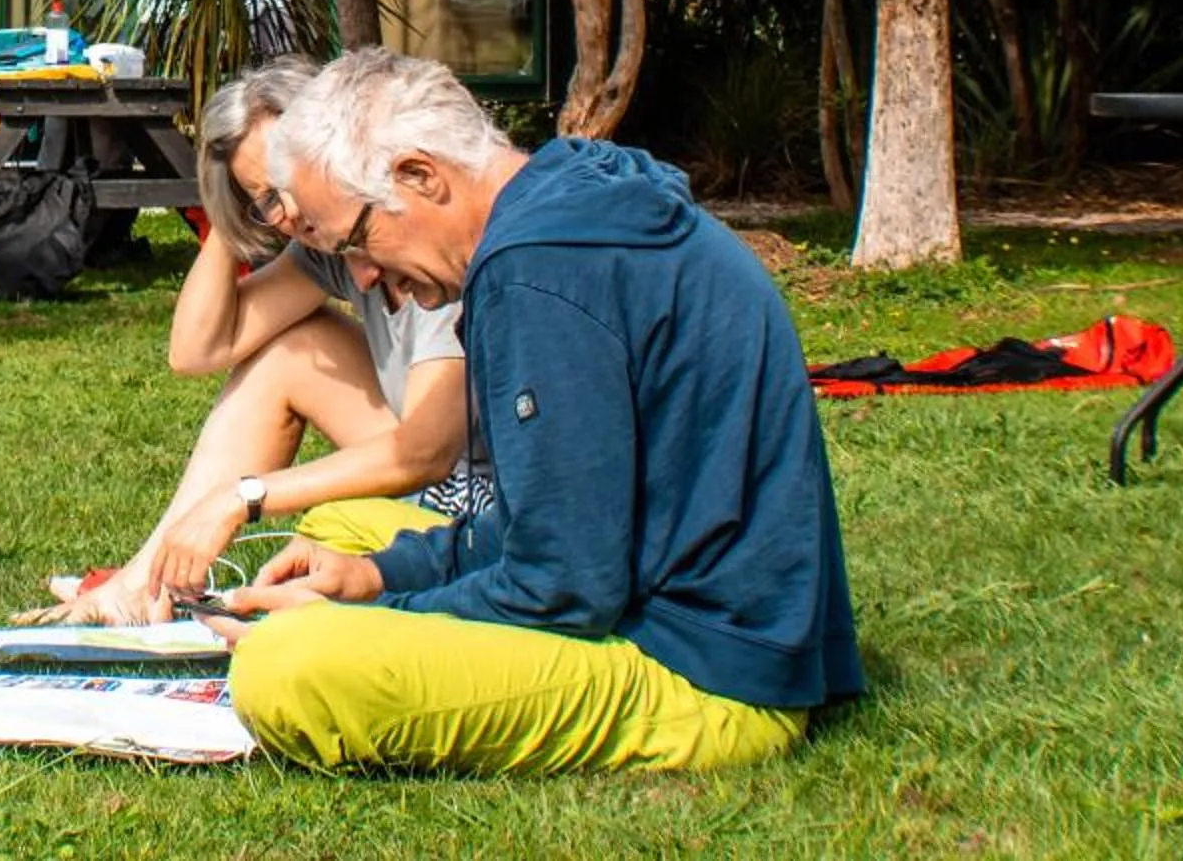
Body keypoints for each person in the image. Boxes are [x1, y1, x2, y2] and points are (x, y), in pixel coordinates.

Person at [220, 47, 863, 776]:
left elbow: (562, 583)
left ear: (420, 176)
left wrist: (366, 617)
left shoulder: (535, 274)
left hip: (703, 670)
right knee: (345, 534)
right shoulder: (567, 198)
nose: (363, 276)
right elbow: (557, 518)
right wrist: (372, 577)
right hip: (691, 602)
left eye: (357, 242)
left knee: (285, 667)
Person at [28, 56, 489, 627]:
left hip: (476, 507)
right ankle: (146, 582)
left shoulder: (427, 252)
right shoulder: (332, 250)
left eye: (291, 179)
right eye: (268, 195)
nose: (291, 211)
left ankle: (146, 585)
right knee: (290, 351)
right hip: (440, 477)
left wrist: (246, 495)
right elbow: (196, 350)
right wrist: (235, 218)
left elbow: (425, 453)